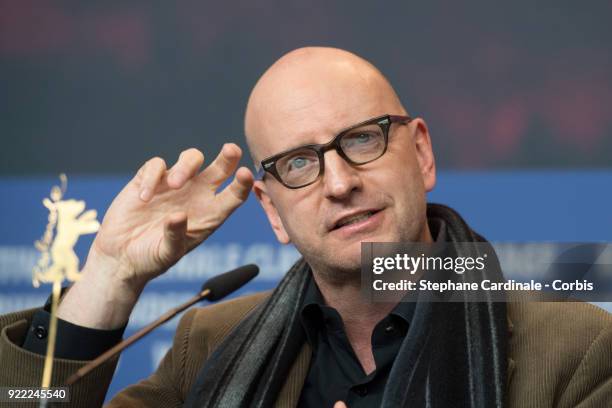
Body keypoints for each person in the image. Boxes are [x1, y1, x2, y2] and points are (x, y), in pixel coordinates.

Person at [0, 47, 610, 408]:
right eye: (299, 163)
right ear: (271, 209)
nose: (339, 182)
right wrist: (111, 274)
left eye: (362, 139)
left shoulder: (575, 349)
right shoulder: (208, 345)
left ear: (421, 154)